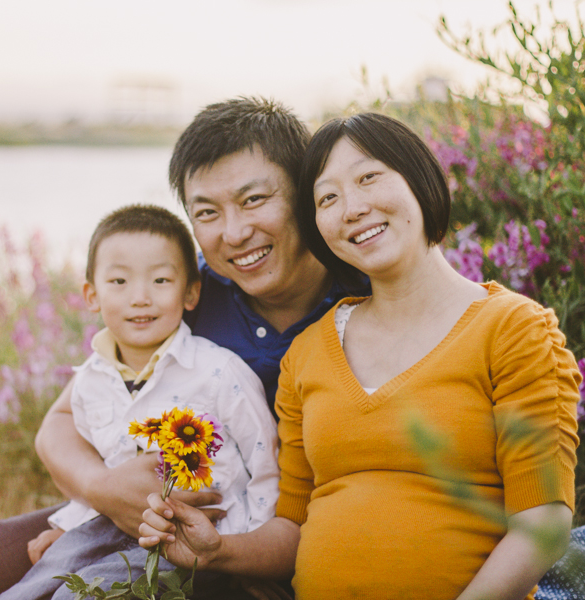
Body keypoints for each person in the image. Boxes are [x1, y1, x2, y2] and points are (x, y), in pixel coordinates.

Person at [0, 97, 345, 600]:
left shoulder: (361, 295)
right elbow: (59, 426)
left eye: (254, 200)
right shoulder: (183, 290)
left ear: (303, 192)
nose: (234, 233)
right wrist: (105, 494)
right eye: (207, 212)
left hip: (258, 539)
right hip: (147, 513)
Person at [138, 112, 582, 600]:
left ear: (420, 178)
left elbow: (543, 518)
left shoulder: (514, 328)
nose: (351, 208)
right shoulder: (308, 353)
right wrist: (216, 550)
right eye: (327, 198)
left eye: (368, 178)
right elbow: (293, 525)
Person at [0, 203, 279, 600]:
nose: (140, 298)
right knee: (33, 585)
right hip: (108, 524)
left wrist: (253, 556)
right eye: (119, 282)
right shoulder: (92, 378)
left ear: (191, 291)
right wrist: (69, 524)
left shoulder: (218, 372)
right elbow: (107, 471)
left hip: (194, 536)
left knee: (78, 596)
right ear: (91, 295)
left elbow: (265, 464)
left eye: (161, 280)